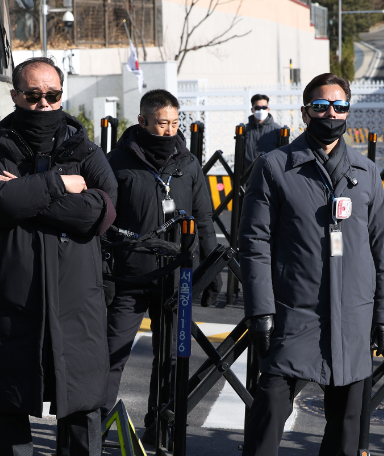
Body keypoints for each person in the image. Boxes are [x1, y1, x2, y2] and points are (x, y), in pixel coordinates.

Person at [238, 73, 384, 456]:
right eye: (321, 106)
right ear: (305, 112)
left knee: (346, 430)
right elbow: (254, 242)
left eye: (340, 106)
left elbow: (382, 246)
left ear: (348, 112)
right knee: (269, 416)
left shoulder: (366, 172)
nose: (331, 113)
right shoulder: (275, 167)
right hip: (293, 314)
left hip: (353, 319)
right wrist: (261, 311)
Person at [0, 57, 117, 456]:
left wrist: (28, 192)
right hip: (15, 304)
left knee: (83, 404)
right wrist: (57, 184)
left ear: (61, 94)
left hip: (78, 305)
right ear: (16, 95)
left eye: (52, 95)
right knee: (12, 404)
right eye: (33, 95)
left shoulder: (87, 152)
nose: (44, 103)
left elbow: (97, 214)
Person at [104, 89, 221, 443]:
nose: (169, 130)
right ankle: (95, 429)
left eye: (173, 123)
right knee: (112, 353)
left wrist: (211, 268)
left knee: (170, 358)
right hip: (129, 276)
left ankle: (160, 428)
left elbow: (204, 219)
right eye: (161, 123)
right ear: (142, 122)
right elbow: (103, 218)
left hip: (175, 279)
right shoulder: (117, 162)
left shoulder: (187, 165)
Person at [243, 94, 282, 171]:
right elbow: (239, 155)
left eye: (264, 107)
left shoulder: (277, 130)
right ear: (252, 110)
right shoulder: (245, 130)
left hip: (271, 174)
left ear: (268, 109)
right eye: (257, 108)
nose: (261, 110)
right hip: (248, 176)